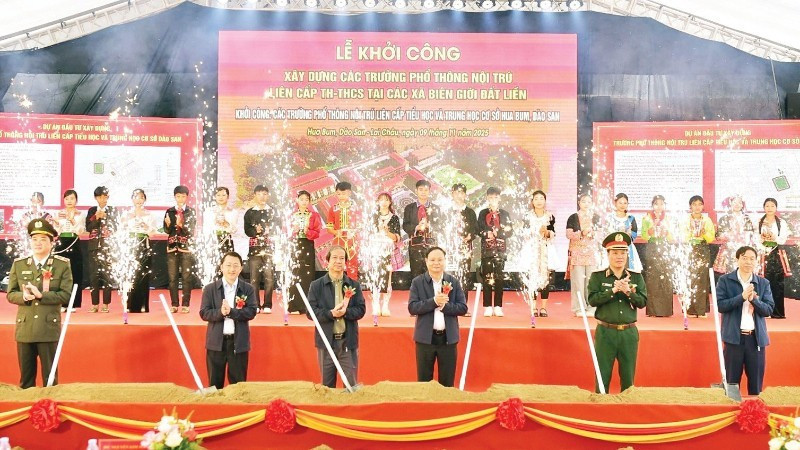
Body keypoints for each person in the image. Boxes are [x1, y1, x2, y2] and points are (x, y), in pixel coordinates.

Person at [6, 219, 73, 388]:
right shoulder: (19, 264)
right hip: (25, 328)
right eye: (34, 239)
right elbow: (11, 294)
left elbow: (66, 295)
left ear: (52, 243)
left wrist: (41, 295)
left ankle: (49, 406)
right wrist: (24, 297)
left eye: (43, 239)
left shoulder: (61, 265)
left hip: (47, 328)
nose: (38, 243)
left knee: (50, 381)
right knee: (26, 381)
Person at [587, 232, 648, 393]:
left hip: (629, 333)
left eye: (623, 253)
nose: (619, 257)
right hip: (605, 332)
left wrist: (628, 292)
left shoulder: (636, 277)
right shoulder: (598, 277)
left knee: (628, 379)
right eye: (615, 253)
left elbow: (643, 302)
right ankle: (601, 406)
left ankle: (627, 407)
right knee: (602, 377)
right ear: (608, 254)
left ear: (627, 254)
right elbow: (592, 300)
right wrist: (613, 290)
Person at [716, 246, 774, 395]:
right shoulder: (725, 280)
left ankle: (754, 409)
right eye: (744, 258)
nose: (748, 262)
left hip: (756, 340)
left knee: (756, 386)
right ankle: (731, 408)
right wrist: (741, 297)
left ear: (756, 262)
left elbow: (768, 310)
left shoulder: (763, 283)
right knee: (731, 385)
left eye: (752, 259)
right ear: (737, 259)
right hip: (733, 339)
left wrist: (754, 300)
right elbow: (720, 306)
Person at [307, 245, 365, 388]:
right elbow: (310, 312)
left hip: (348, 342)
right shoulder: (316, 286)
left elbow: (361, 310)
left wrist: (346, 312)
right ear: (327, 261)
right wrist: (330, 314)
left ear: (345, 262)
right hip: (326, 343)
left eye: (342, 258)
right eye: (334, 258)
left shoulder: (354, 285)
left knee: (351, 387)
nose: (338, 261)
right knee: (327, 387)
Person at [408, 246, 468, 387]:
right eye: (433, 260)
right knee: (424, 382)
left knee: (447, 382)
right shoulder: (417, 282)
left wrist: (445, 307)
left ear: (445, 261)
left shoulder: (453, 282)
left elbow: (463, 308)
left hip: (448, 339)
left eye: (440, 260)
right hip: (425, 339)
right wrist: (434, 302)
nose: (436, 263)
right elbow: (412, 307)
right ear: (426, 261)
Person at [199, 251, 258, 390]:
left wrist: (232, 312)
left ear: (241, 268)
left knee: (238, 386)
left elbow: (251, 311)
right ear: (221, 267)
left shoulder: (248, 289)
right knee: (214, 385)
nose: (232, 269)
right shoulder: (210, 289)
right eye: (228, 265)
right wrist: (220, 313)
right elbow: (204, 313)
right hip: (216, 343)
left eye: (236, 265)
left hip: (239, 343)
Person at [477, 187, 512, 317]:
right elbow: (478, 229)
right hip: (487, 250)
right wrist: (487, 233)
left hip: (500, 250)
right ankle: (487, 306)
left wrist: (500, 233)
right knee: (487, 277)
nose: (493, 200)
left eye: (496, 197)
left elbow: (510, 231)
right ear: (487, 198)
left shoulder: (505, 214)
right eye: (491, 197)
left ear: (500, 198)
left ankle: (498, 306)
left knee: (499, 278)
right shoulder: (482, 213)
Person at [121, 189, 156, 313]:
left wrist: (146, 227)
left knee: (143, 275)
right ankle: (130, 304)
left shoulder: (149, 215)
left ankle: (143, 305)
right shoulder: (126, 214)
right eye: (136, 197)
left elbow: (153, 233)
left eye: (141, 197)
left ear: (144, 199)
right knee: (131, 275)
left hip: (144, 245)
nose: (139, 200)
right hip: (131, 246)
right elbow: (121, 231)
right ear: (132, 199)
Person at [566, 194, 601, 317]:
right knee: (578, 282)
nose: (586, 204)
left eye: (589, 202)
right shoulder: (573, 217)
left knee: (591, 282)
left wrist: (593, 234)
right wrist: (581, 233)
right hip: (577, 254)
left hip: (591, 253)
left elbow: (601, 234)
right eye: (583, 201)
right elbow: (569, 234)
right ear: (579, 203)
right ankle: (579, 308)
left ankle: (592, 307)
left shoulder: (596, 217)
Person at [243, 185, 276, 314]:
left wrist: (269, 230)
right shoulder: (250, 212)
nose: (262, 196)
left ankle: (267, 304)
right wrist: (255, 231)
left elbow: (278, 226)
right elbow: (247, 230)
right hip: (254, 249)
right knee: (254, 279)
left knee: (269, 278)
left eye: (264, 194)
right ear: (255, 195)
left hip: (269, 249)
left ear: (268, 195)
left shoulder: (273, 211)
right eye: (259, 194)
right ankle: (255, 304)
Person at [640, 195, 675, 317]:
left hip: (665, 248)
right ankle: (653, 310)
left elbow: (672, 237)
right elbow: (644, 235)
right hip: (652, 247)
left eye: (661, 204)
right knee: (653, 278)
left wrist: (667, 233)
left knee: (665, 277)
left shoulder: (669, 218)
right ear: (652, 205)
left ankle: (666, 310)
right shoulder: (647, 218)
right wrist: (650, 231)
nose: (659, 206)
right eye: (656, 204)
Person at [756, 198, 791, 319]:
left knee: (777, 282)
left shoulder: (781, 222)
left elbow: (783, 239)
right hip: (762, 253)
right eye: (767, 206)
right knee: (762, 282)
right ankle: (763, 310)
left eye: (772, 206)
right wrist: (762, 244)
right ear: (764, 207)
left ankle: (777, 312)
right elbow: (755, 237)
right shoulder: (759, 221)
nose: (769, 208)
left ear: (776, 208)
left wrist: (774, 237)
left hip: (776, 253)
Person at [288, 190, 322, 314]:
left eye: (306, 199)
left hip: (308, 245)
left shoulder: (314, 215)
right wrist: (293, 230)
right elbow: (285, 231)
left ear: (309, 201)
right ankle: (294, 305)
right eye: (301, 199)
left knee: (307, 274)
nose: (304, 202)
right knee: (295, 273)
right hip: (295, 245)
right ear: (297, 200)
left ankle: (307, 306)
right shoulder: (291, 215)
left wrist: (307, 231)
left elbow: (317, 233)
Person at [164, 185, 197, 313]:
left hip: (186, 247)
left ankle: (186, 304)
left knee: (186, 277)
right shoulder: (170, 211)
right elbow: (167, 231)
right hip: (172, 247)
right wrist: (167, 225)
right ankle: (174, 304)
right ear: (175, 197)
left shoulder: (190, 211)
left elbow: (191, 231)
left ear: (187, 197)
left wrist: (181, 225)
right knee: (172, 278)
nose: (180, 199)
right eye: (178, 196)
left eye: (183, 196)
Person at [523, 190, 555, 317]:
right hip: (532, 249)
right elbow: (524, 233)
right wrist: (535, 232)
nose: (539, 201)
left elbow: (553, 233)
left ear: (545, 201)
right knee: (532, 278)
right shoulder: (527, 216)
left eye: (541, 198)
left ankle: (543, 308)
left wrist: (547, 233)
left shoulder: (550, 216)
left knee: (545, 278)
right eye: (536, 199)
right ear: (532, 202)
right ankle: (534, 307)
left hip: (545, 249)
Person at [85, 186, 117, 313]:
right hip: (93, 247)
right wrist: (96, 218)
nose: (102, 199)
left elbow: (115, 226)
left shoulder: (112, 210)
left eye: (104, 197)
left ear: (108, 197)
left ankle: (106, 304)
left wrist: (106, 217)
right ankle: (94, 304)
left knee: (106, 276)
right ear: (95, 198)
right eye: (99, 197)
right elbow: (88, 227)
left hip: (107, 247)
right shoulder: (92, 210)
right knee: (93, 276)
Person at [53, 189, 85, 312]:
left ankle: (73, 303)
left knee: (75, 273)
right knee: (61, 273)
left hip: (74, 242)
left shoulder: (80, 214)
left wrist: (72, 220)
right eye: (66, 199)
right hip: (61, 243)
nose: (69, 201)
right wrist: (56, 224)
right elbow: (56, 231)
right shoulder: (58, 213)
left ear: (76, 200)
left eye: (72, 198)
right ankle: (62, 303)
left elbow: (80, 231)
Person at [369, 192, 401, 316]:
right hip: (375, 251)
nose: (384, 202)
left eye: (386, 200)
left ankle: (385, 305)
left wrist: (387, 232)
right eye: (381, 200)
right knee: (375, 277)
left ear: (390, 202)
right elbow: (368, 234)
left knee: (387, 279)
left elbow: (396, 238)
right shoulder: (373, 216)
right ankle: (376, 304)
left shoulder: (394, 218)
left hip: (388, 252)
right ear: (378, 202)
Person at [684, 195, 715, 317]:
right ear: (690, 206)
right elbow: (682, 235)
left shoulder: (707, 220)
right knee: (691, 278)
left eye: (699, 204)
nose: (697, 207)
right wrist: (692, 234)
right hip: (690, 249)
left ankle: (701, 310)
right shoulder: (686, 220)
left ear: (703, 206)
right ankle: (690, 309)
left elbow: (711, 237)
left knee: (702, 279)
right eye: (694, 204)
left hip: (703, 248)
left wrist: (704, 234)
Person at [403, 180, 440, 279]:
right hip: (415, 246)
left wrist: (429, 226)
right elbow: (405, 225)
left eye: (426, 190)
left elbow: (439, 225)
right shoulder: (409, 208)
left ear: (429, 191)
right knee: (416, 276)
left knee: (431, 275)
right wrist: (416, 227)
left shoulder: (435, 208)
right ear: (416, 191)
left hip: (431, 245)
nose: (423, 192)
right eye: (421, 189)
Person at [326, 181, 360, 280]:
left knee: (352, 266)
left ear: (349, 193)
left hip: (352, 240)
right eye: (339, 194)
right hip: (338, 240)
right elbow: (329, 228)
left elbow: (360, 225)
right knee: (336, 264)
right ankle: (335, 287)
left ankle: (352, 287)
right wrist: (336, 232)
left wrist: (353, 232)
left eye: (343, 193)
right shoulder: (333, 209)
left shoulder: (355, 208)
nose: (341, 196)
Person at [713, 195, 755, 274]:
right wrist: (730, 238)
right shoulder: (724, 218)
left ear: (742, 205)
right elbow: (719, 234)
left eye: (739, 202)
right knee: (731, 272)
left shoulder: (747, 218)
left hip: (744, 249)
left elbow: (751, 233)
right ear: (730, 203)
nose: (737, 204)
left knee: (744, 271)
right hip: (729, 248)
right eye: (734, 202)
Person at [450, 183, 478, 291]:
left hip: (465, 249)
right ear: (452, 194)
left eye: (461, 192)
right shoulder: (447, 211)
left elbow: (475, 229)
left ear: (465, 195)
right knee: (449, 276)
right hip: (450, 249)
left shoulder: (470, 212)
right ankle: (449, 300)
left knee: (464, 276)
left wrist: (470, 236)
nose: (459, 195)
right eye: (456, 192)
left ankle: (463, 300)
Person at [605, 193, 642, 271]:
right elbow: (606, 233)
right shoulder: (610, 218)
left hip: (627, 248)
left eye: (625, 203)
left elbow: (634, 234)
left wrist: (629, 234)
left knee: (628, 271)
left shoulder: (631, 218)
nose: (622, 205)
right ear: (615, 203)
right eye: (620, 203)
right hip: (612, 247)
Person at [203, 186, 238, 260]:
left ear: (228, 197)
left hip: (227, 240)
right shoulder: (209, 211)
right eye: (218, 195)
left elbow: (234, 230)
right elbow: (206, 228)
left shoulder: (233, 212)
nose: (221, 197)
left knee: (227, 262)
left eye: (223, 195)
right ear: (215, 197)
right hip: (212, 240)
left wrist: (225, 223)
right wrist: (215, 221)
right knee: (213, 263)